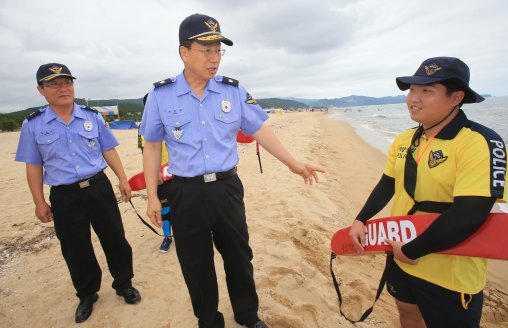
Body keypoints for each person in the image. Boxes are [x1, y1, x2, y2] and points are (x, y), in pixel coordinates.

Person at [140, 13, 325, 328]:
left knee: (239, 257)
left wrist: (294, 164)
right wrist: (153, 197)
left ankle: (247, 315)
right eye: (206, 50)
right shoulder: (160, 96)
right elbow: (153, 145)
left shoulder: (233, 91)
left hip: (227, 190)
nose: (214, 59)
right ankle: (209, 320)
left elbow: (260, 131)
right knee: (196, 264)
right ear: (184, 52)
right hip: (185, 192)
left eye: (218, 51)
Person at [348, 57, 508, 327]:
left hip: (450, 269)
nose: (414, 98)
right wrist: (360, 219)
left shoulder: (480, 142)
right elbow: (387, 184)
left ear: (456, 97)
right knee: (408, 315)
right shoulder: (404, 139)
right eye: (412, 90)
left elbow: (470, 212)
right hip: (401, 253)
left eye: (427, 91)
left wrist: (412, 250)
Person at [15, 63, 141, 324]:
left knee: (115, 238)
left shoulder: (92, 117)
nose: (63, 88)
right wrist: (39, 202)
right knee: (75, 248)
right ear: (41, 90)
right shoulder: (33, 125)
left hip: (98, 187)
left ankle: (124, 284)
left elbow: (109, 150)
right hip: (64, 195)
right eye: (54, 84)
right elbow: (34, 165)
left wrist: (123, 180)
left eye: (67, 82)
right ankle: (87, 294)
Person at [138, 105, 173, 253]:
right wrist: (154, 172)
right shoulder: (144, 127)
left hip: (178, 171)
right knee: (164, 208)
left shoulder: (172, 120)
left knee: (183, 204)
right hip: (160, 174)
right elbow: (145, 151)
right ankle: (167, 237)